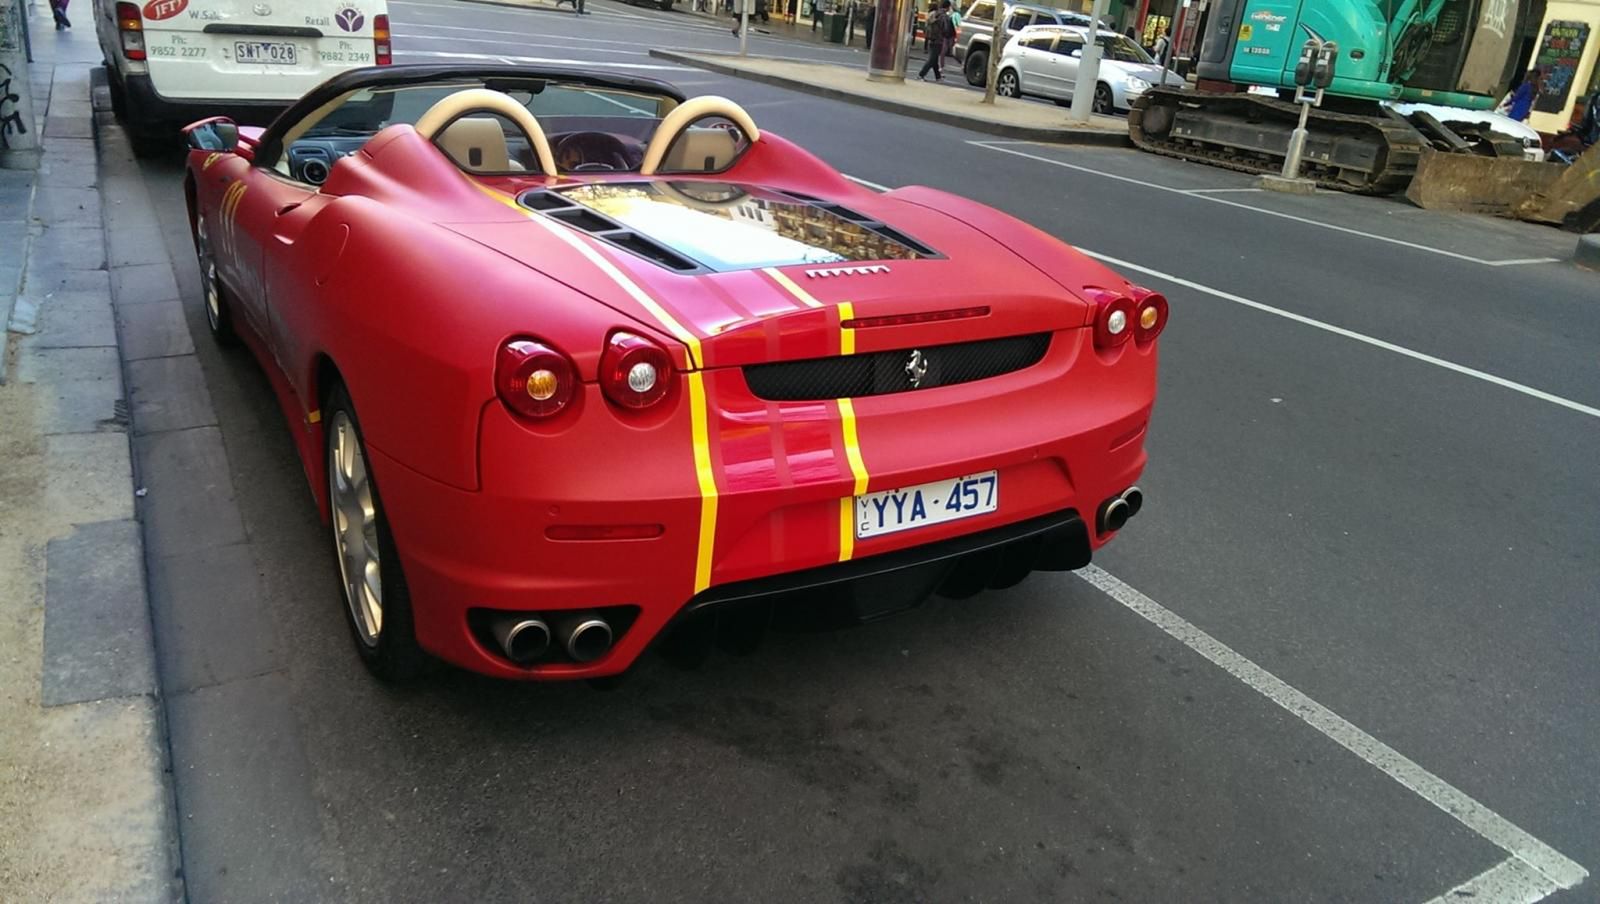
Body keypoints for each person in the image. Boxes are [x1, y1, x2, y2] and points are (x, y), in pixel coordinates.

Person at [916, 0, 951, 80]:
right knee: (932, 59)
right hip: (939, 39)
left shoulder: (935, 13)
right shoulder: (944, 16)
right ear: (948, 7)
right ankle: (921, 75)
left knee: (934, 59)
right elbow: (945, 29)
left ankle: (938, 77)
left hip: (931, 37)